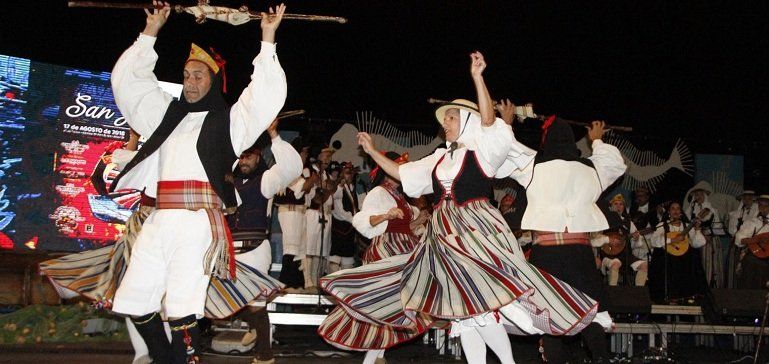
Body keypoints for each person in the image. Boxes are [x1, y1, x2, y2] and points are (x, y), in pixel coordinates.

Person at [322, 52, 601, 364]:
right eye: (445, 119)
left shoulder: (485, 149)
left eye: (452, 118)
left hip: (475, 229)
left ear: (466, 120)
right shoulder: (439, 157)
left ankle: (528, 318)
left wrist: (478, 77)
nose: (446, 123)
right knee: (463, 312)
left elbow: (488, 121)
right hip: (444, 233)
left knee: (484, 296)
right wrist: (372, 151)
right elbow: (403, 174)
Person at [108, 2, 287, 362]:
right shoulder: (165, 115)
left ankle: (184, 358)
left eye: (198, 77)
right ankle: (167, 359)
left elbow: (262, 96)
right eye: (187, 75)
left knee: (181, 303)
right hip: (159, 220)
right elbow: (129, 85)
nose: (190, 82)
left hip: (197, 223)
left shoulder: (228, 123)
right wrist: (150, 32)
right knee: (134, 299)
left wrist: (267, 38)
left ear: (213, 82)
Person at [506, 115, 626, 363]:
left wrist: (507, 124)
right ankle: (601, 359)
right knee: (589, 311)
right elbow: (615, 164)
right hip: (579, 252)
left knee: (551, 316)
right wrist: (597, 141)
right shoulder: (590, 168)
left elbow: (504, 155)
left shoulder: (534, 167)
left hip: (547, 254)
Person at [318, 151, 428, 364]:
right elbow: (364, 221)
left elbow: (406, 227)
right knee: (386, 304)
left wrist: (418, 220)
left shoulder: (401, 198)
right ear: (386, 172)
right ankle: (374, 357)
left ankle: (376, 356)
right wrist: (387, 215)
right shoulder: (378, 193)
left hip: (404, 248)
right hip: (388, 249)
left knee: (390, 307)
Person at [225, 118, 303, 364]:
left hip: (255, 249)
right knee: (220, 300)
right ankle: (256, 327)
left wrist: (274, 135)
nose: (245, 161)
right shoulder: (225, 181)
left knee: (256, 303)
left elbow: (292, 167)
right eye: (242, 156)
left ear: (258, 158)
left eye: (250, 156)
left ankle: (265, 355)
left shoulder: (266, 180)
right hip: (227, 251)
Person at [647, 201, 708, 302]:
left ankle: (688, 296)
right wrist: (671, 240)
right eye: (673, 208)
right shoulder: (663, 225)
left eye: (678, 208)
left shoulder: (687, 226)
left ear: (681, 212)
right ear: (669, 212)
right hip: (668, 260)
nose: (675, 211)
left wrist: (697, 230)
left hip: (684, 260)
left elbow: (699, 243)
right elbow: (654, 241)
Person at [593, 194, 648, 286]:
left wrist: (636, 238)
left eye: (621, 204)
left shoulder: (628, 223)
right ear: (611, 206)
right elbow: (595, 239)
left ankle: (638, 294)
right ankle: (613, 293)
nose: (618, 206)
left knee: (644, 265)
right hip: (608, 254)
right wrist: (608, 239)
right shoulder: (604, 221)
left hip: (625, 254)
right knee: (615, 263)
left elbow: (636, 245)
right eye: (616, 204)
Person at [328, 162, 362, 273]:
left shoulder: (352, 189)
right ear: (342, 174)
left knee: (348, 257)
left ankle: (345, 282)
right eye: (347, 173)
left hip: (350, 228)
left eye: (352, 173)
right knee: (335, 257)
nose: (350, 176)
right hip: (339, 227)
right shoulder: (339, 188)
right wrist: (355, 220)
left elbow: (355, 207)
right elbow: (339, 211)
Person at [734, 194, 769, 289]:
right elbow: (739, 239)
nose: (763, 208)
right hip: (754, 256)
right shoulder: (752, 222)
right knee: (750, 262)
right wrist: (756, 239)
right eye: (760, 205)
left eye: (766, 205)